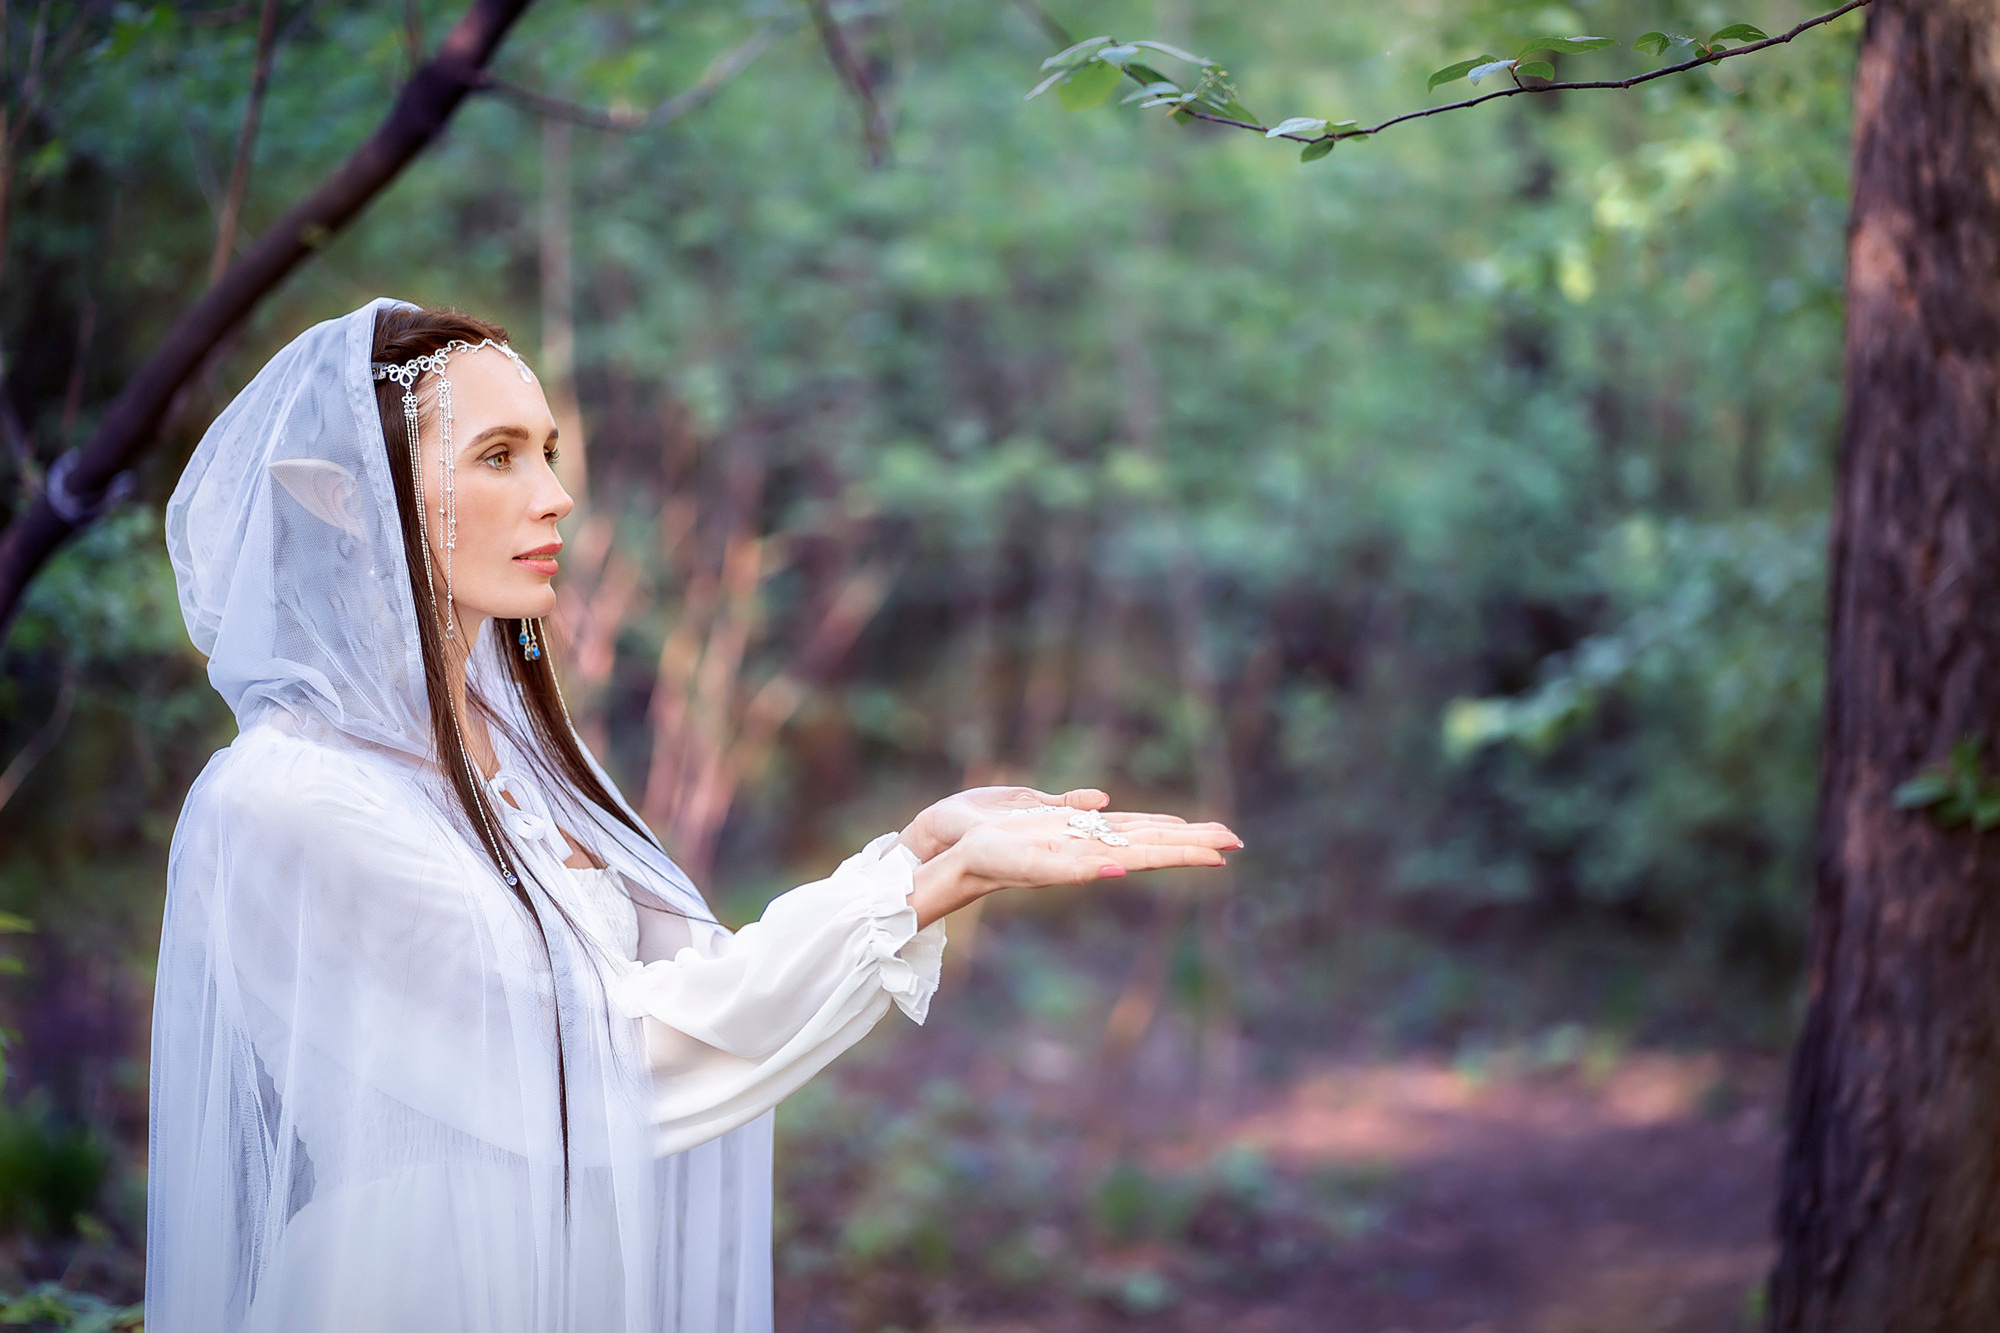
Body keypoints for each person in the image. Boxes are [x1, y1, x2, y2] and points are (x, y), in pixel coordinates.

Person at [146, 298, 1240, 1332]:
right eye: (496, 456)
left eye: (547, 451)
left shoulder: (509, 755)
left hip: (570, 1272)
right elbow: (602, 1057)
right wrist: (923, 889)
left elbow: (684, 990)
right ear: (346, 496)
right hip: (417, 1285)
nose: (555, 495)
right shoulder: (290, 799)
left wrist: (919, 851)